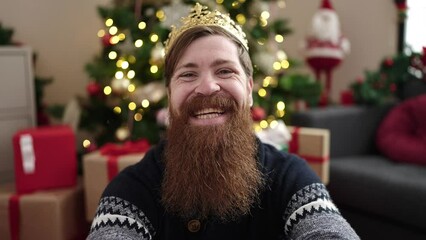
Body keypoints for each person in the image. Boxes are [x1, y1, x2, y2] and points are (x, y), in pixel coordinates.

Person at [87, 3, 359, 239]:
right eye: (188, 74)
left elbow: (327, 229)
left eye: (225, 70)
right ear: (170, 96)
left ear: (249, 89)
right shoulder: (132, 189)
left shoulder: (291, 177)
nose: (207, 87)